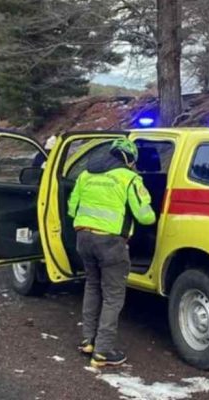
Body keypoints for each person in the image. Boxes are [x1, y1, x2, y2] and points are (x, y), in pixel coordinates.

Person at [67, 138, 156, 367]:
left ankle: (88, 341)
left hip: (83, 238)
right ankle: (103, 352)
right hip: (110, 243)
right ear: (128, 158)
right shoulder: (129, 179)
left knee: (92, 286)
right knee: (113, 296)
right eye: (133, 160)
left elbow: (70, 208)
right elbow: (146, 216)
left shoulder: (86, 174)